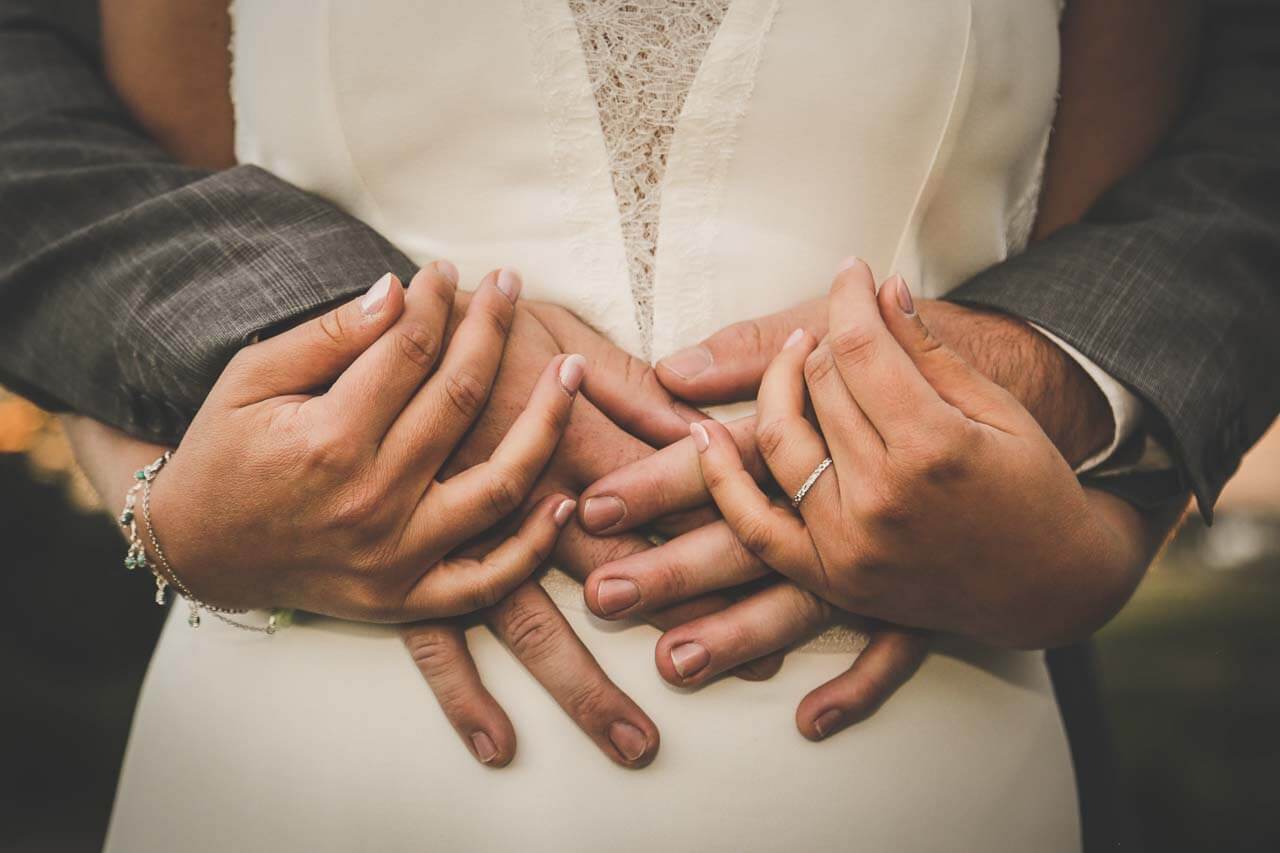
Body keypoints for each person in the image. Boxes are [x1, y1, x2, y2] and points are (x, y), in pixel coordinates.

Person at [0, 1, 1275, 851]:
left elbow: (1216, 133)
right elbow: (62, 114)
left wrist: (1085, 456)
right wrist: (176, 497)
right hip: (292, 775)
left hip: (925, 764)